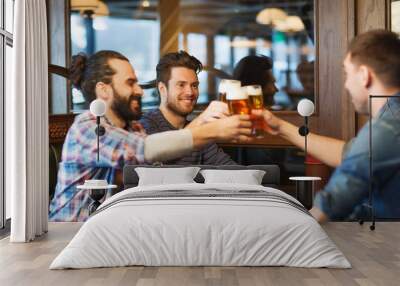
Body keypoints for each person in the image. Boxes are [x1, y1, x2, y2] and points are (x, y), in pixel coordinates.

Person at [49, 50, 253, 221]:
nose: (140, 90)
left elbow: (157, 177)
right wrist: (212, 129)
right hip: (68, 234)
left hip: (110, 232)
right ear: (103, 89)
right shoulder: (88, 128)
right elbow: (146, 150)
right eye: (130, 83)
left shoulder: (134, 127)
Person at [258, 30, 400, 221]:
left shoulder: (387, 128)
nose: (347, 85)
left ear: (364, 75)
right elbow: (350, 154)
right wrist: (281, 127)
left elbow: (331, 204)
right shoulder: (391, 120)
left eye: (347, 74)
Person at [140, 51, 237, 165]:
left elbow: (229, 168)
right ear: (162, 89)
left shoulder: (199, 132)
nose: (190, 92)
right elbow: (154, 172)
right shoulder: (145, 126)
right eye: (181, 85)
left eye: (194, 85)